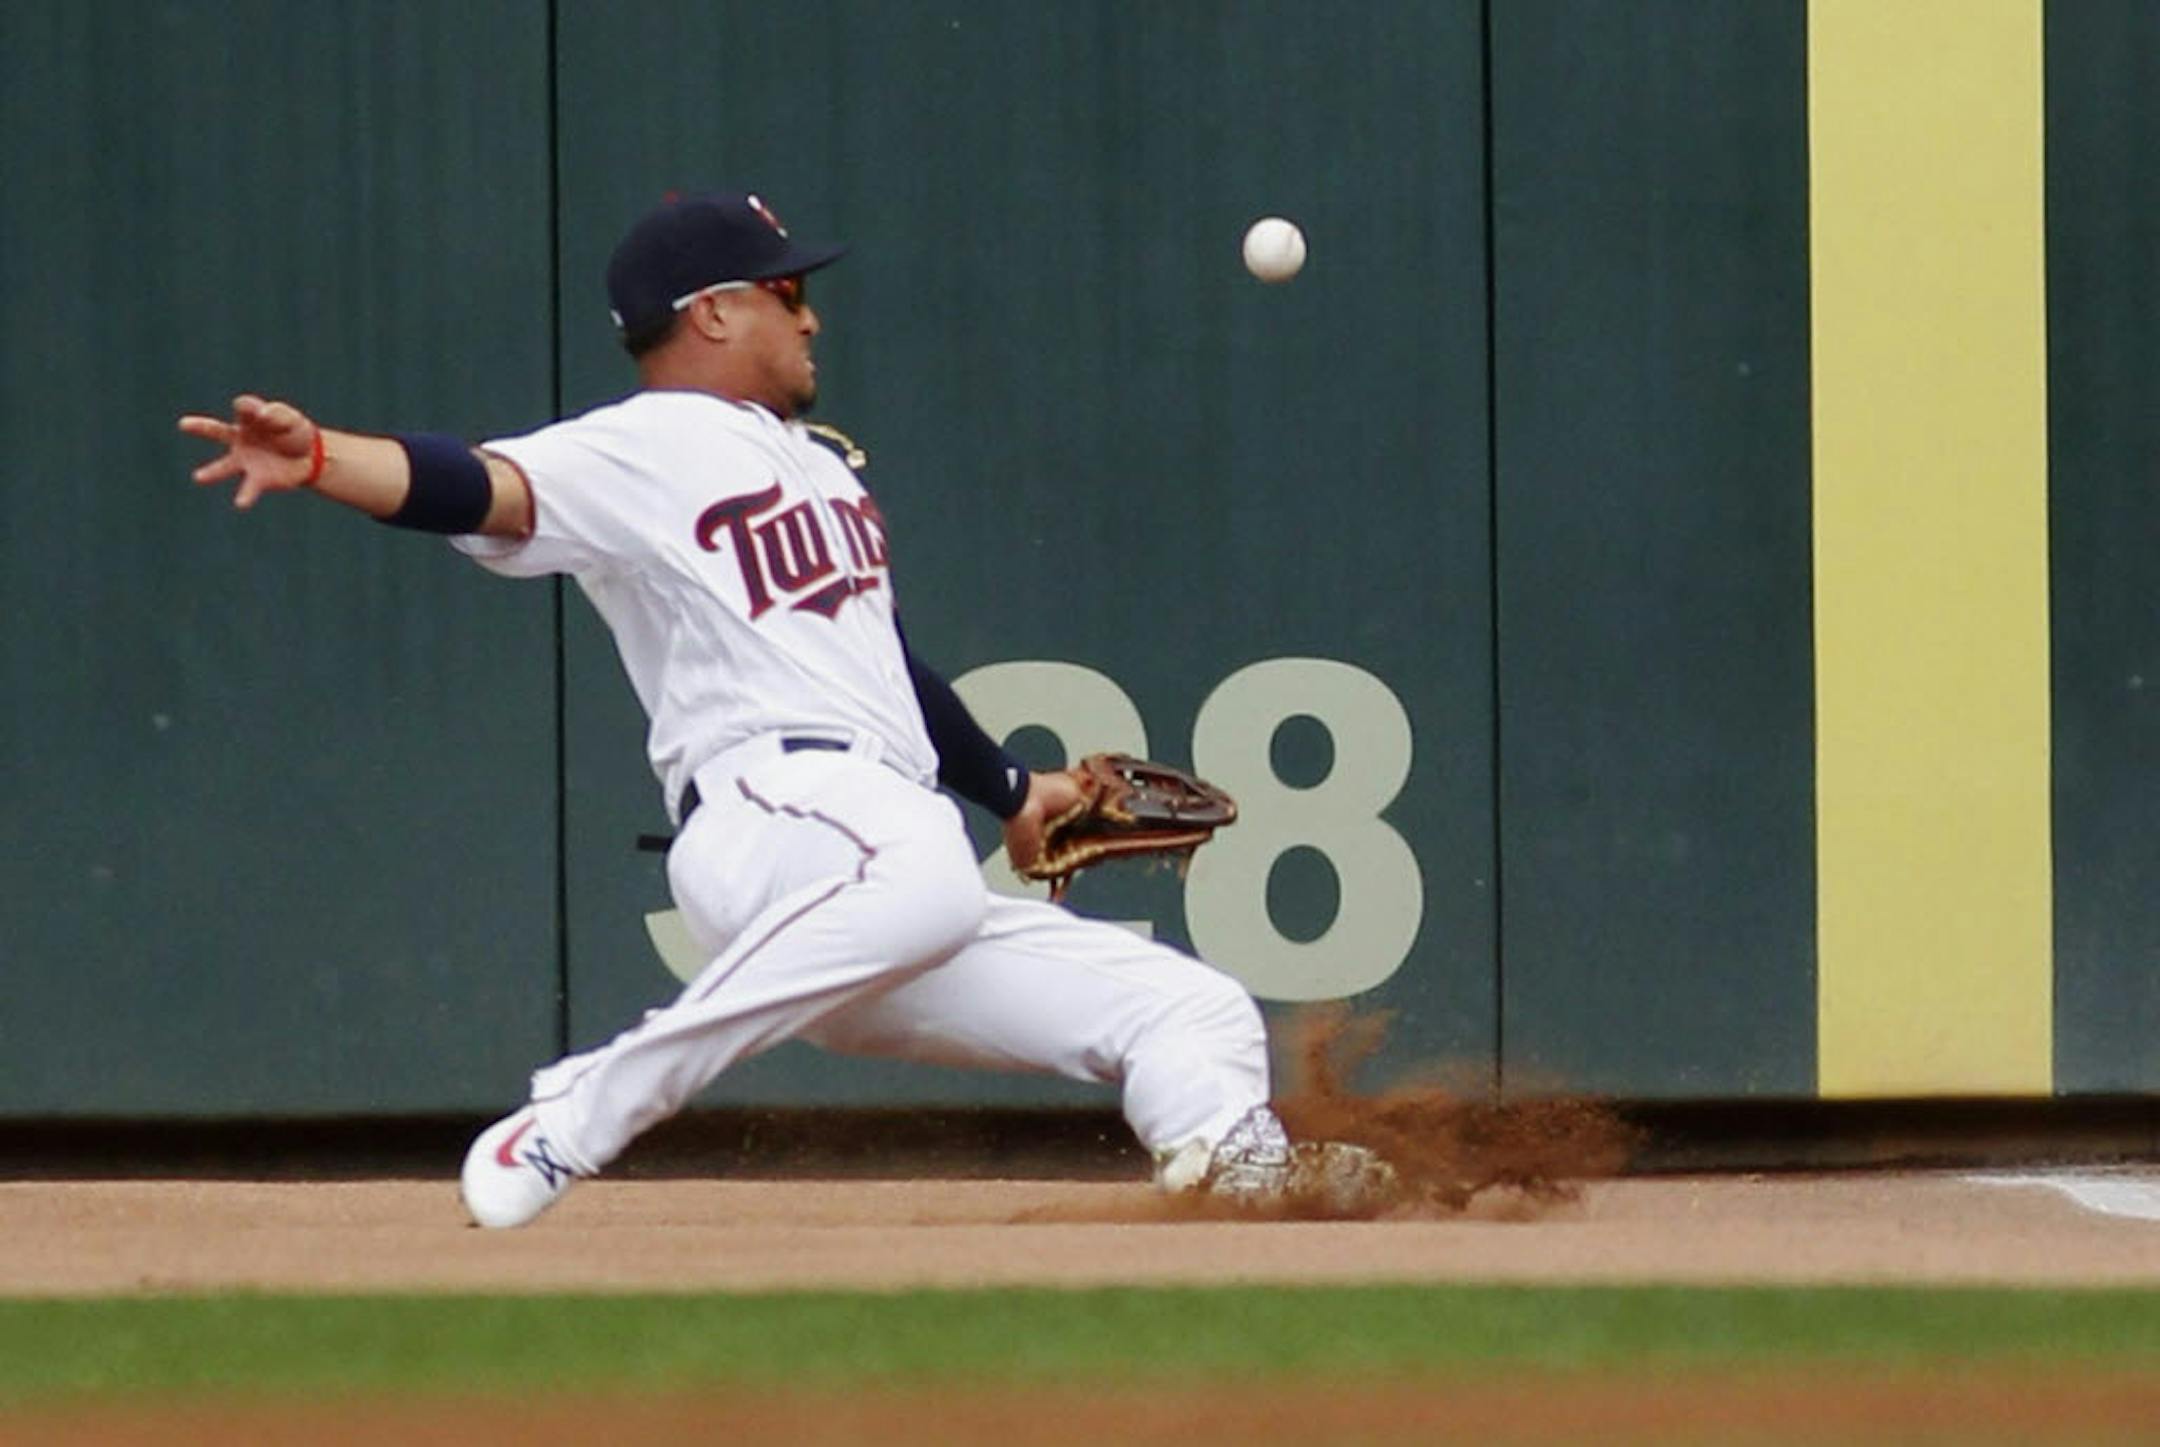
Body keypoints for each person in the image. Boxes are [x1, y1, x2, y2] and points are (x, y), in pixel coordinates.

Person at [180, 190, 1392, 1227]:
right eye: (785, 291)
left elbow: (883, 662)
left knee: (1188, 1005)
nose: (810, 315)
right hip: (775, 809)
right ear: (712, 311)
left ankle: (1227, 1161)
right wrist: (324, 455)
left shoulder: (814, 463)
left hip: (858, 875)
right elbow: (478, 485)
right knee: (922, 866)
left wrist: (1016, 792)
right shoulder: (645, 443)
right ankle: (585, 1107)